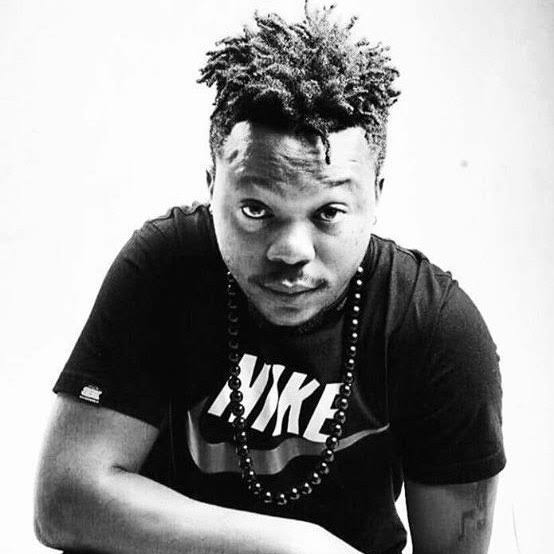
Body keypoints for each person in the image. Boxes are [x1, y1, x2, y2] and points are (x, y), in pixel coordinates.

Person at [34, 4, 505, 554]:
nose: (290, 251)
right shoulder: (166, 266)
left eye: (328, 212)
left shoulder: (435, 327)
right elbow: (64, 501)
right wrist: (299, 548)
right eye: (256, 210)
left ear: (376, 195)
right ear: (212, 186)